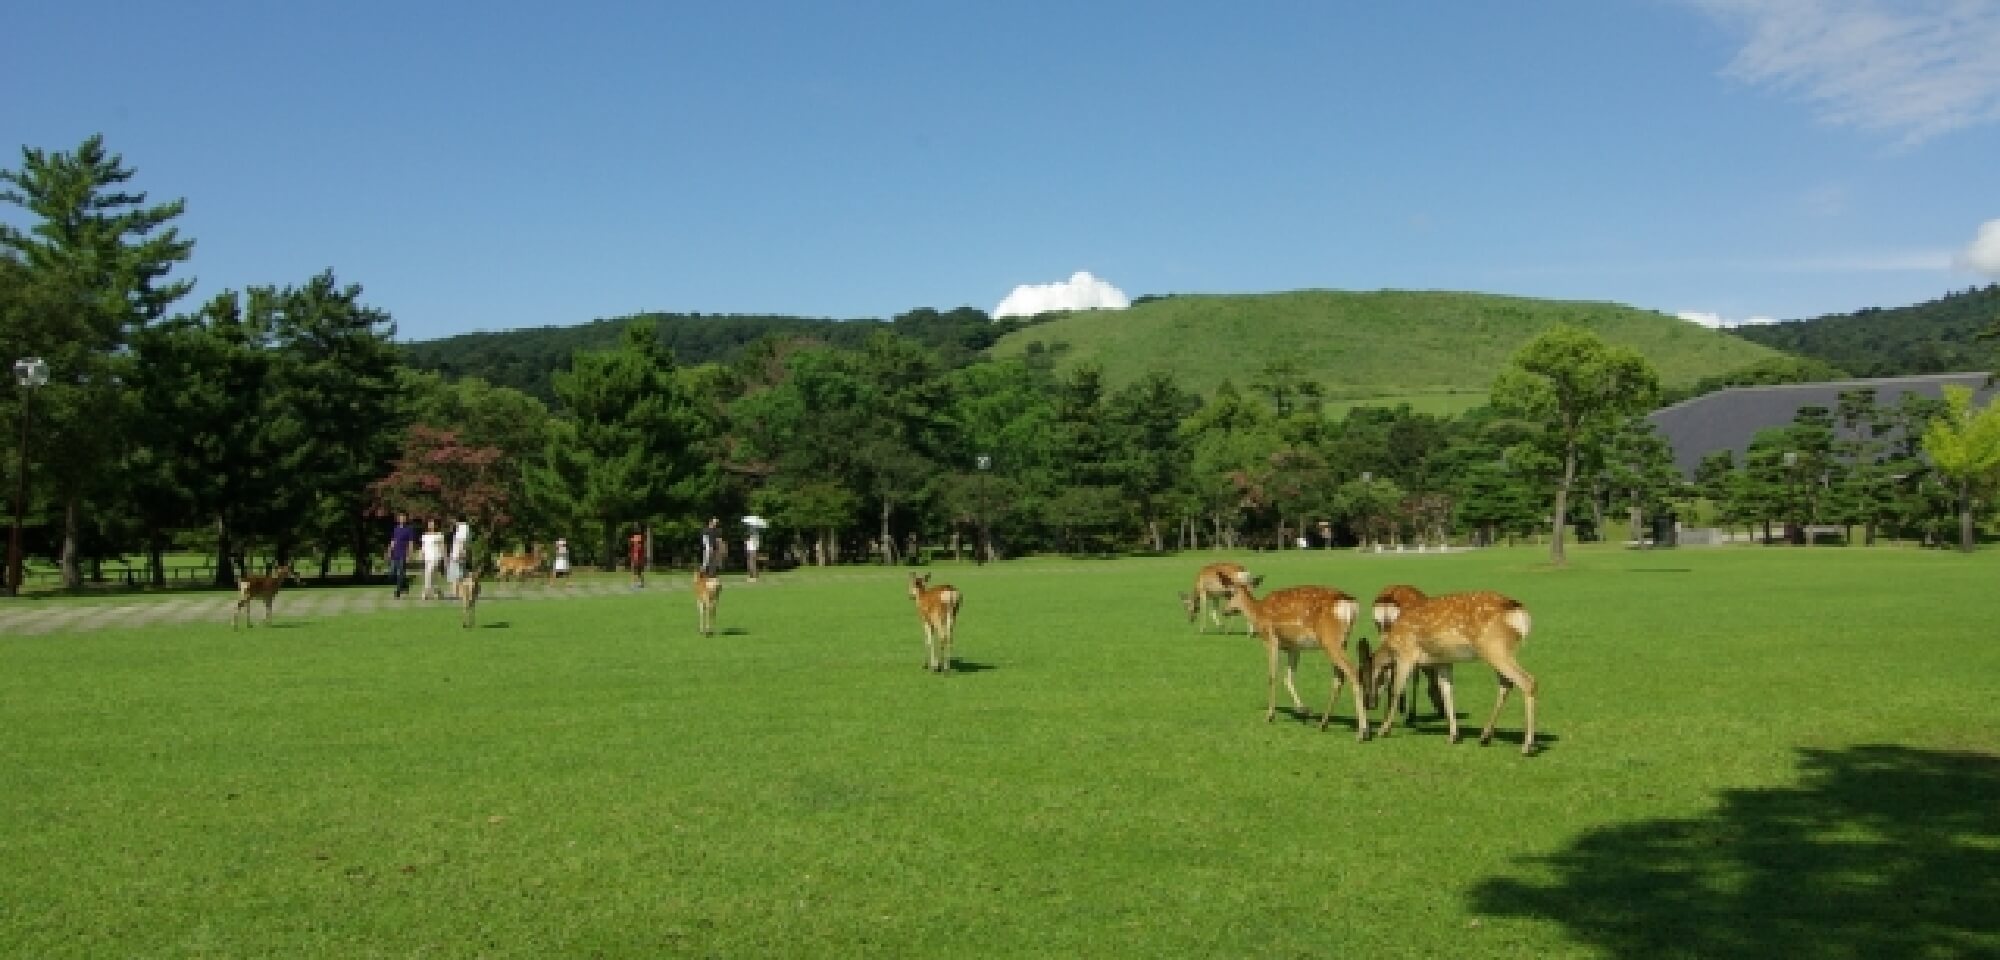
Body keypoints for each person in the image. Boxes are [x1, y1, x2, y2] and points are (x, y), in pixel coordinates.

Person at [385, 512, 416, 598]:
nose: (402, 519)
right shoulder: (396, 529)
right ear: (398, 519)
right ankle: (405, 585)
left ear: (406, 519)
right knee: (392, 573)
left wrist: (410, 554)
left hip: (403, 554)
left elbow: (410, 543)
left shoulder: (409, 529)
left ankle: (398, 591)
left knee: (401, 573)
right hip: (395, 554)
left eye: (403, 518)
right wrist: (389, 551)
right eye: (400, 518)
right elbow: (393, 541)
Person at [420, 519, 446, 600]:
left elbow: (443, 547)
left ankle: (426, 592)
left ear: (436, 525)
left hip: (436, 557)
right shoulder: (424, 535)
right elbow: (423, 547)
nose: (431, 526)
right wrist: (422, 555)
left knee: (429, 573)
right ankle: (438, 592)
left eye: (433, 524)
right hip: (427, 558)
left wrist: (445, 558)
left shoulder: (439, 535)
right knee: (433, 576)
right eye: (430, 524)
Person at [448, 517, 471, 583]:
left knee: (457, 577)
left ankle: (458, 591)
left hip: (457, 555)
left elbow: (462, 541)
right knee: (457, 576)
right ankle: (457, 591)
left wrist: (460, 553)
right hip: (456, 554)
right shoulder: (461, 529)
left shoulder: (463, 528)